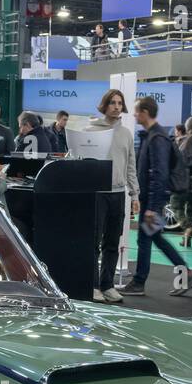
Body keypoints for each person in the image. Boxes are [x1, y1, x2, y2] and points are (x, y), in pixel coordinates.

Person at [119, 96, 189, 298]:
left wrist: (152, 207)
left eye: (136, 111)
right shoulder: (152, 135)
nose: (133, 114)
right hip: (150, 200)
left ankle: (140, 282)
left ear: (145, 112)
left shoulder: (157, 138)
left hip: (153, 201)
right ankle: (184, 272)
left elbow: (160, 173)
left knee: (147, 239)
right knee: (152, 238)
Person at [81, 89, 139, 303]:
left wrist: (135, 194)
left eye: (119, 103)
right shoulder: (90, 130)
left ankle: (107, 285)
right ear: (104, 105)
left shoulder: (126, 134)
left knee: (112, 243)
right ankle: (93, 285)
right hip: (97, 194)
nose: (116, 106)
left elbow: (131, 165)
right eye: (113, 102)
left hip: (118, 194)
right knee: (94, 242)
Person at [174, 115, 192, 247]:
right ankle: (188, 235)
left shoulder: (181, 142)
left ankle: (186, 229)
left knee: (175, 206)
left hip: (182, 182)